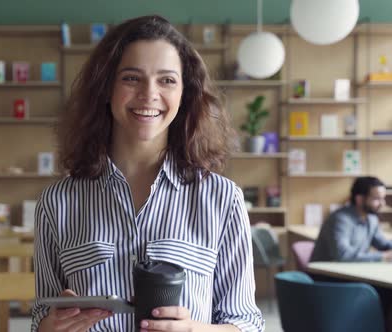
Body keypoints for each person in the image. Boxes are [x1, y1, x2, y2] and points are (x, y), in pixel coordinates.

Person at [32, 15, 263, 332]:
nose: (149, 94)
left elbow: (247, 323)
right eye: (131, 78)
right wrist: (49, 328)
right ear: (106, 88)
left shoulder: (222, 199)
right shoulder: (57, 202)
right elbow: (40, 318)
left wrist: (195, 330)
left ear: (185, 94)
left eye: (167, 80)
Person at [310, 176, 392, 262]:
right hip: (325, 273)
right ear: (359, 199)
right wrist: (383, 256)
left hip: (350, 270)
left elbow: (383, 244)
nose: (383, 204)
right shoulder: (340, 219)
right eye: (377, 199)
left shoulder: (371, 218)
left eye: (383, 198)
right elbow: (343, 255)